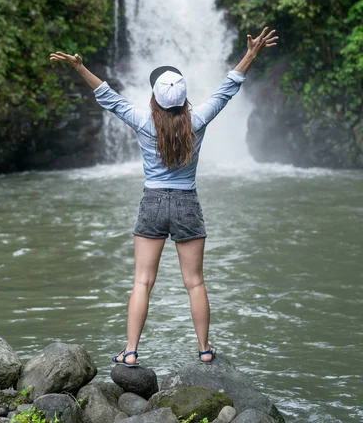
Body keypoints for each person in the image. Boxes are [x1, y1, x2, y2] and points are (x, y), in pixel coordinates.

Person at [50, 26, 278, 366]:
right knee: (195, 282)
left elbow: (108, 96)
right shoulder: (197, 120)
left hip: (152, 202)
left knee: (142, 281)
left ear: (155, 98)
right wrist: (251, 54)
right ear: (184, 97)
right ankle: (204, 350)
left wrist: (80, 67)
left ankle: (130, 352)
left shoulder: (143, 121)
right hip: (187, 203)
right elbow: (228, 88)